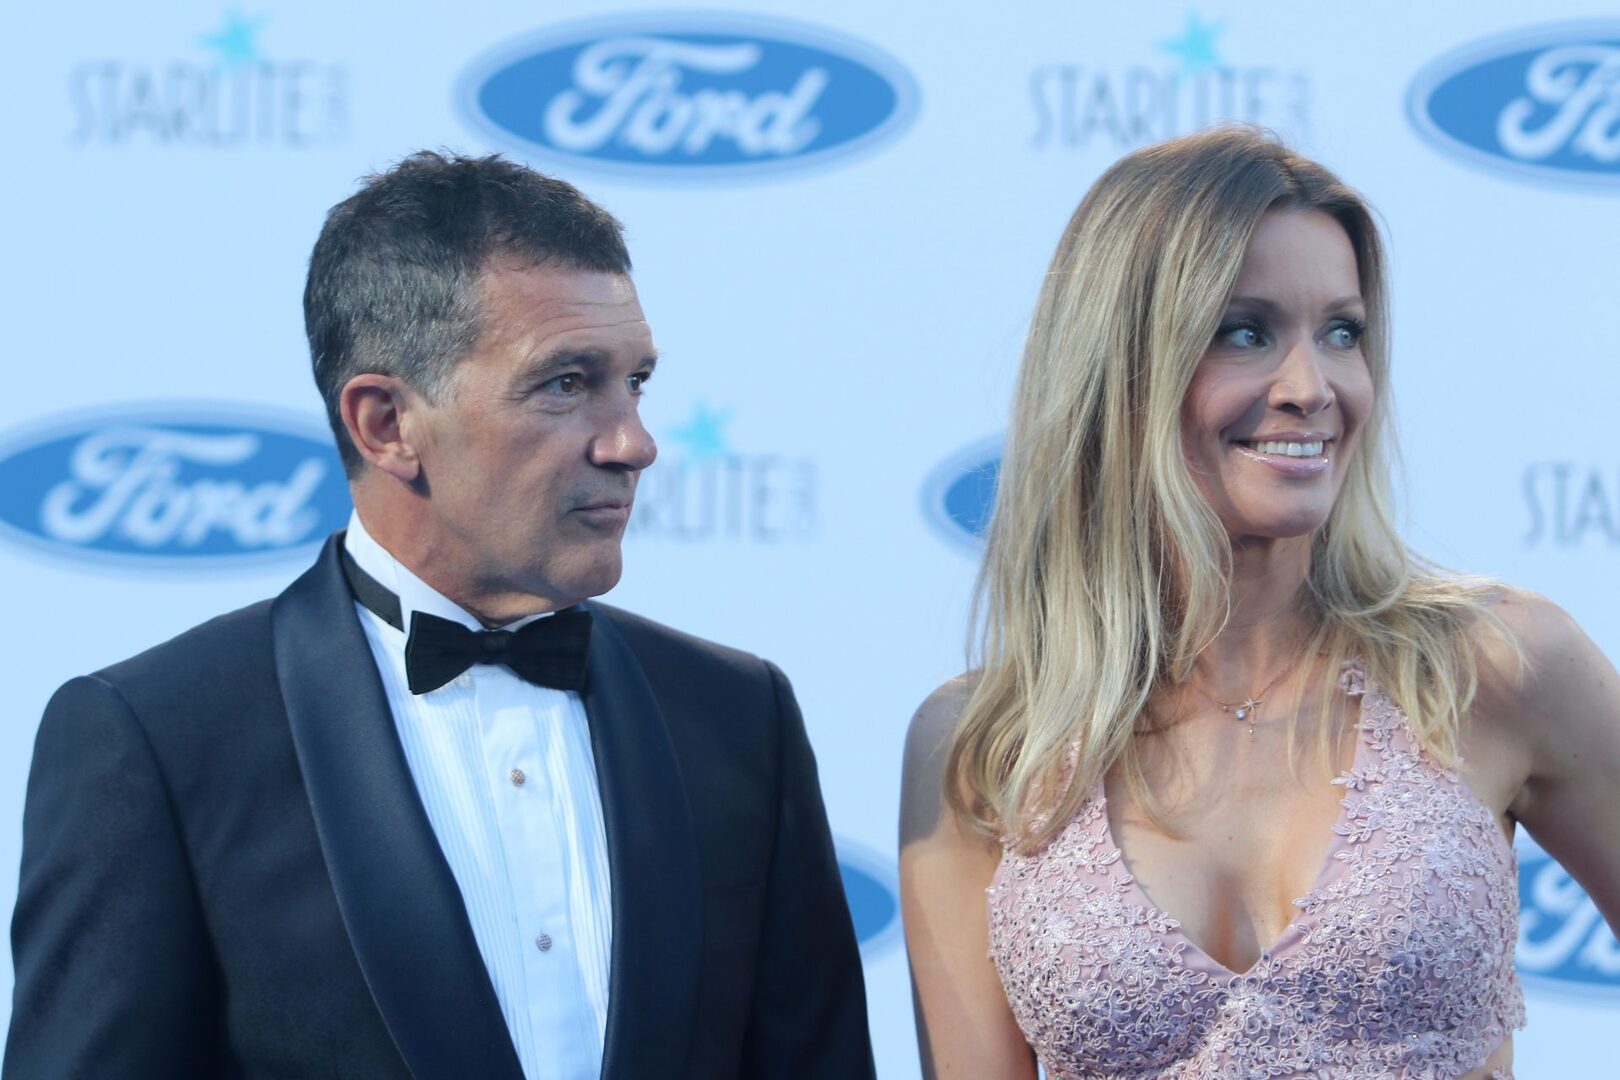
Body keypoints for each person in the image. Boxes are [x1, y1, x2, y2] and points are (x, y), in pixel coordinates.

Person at [6, 151, 874, 1080]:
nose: (634, 442)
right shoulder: (160, 739)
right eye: (567, 383)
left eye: (636, 382)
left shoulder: (738, 717)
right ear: (386, 424)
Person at [900, 127, 1620, 1079]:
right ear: (1123, 367)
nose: (1311, 387)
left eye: (1342, 332)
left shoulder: (1495, 664)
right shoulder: (987, 743)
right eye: (1246, 332)